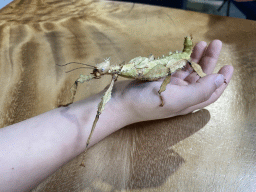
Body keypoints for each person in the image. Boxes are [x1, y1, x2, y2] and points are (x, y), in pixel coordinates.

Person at [0, 39, 233, 192]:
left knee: (166, 67)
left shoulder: (129, 70)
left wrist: (161, 91)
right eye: (99, 71)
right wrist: (125, 102)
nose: (97, 73)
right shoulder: (114, 75)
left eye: (99, 71)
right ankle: (71, 106)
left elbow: (160, 70)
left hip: (171, 63)